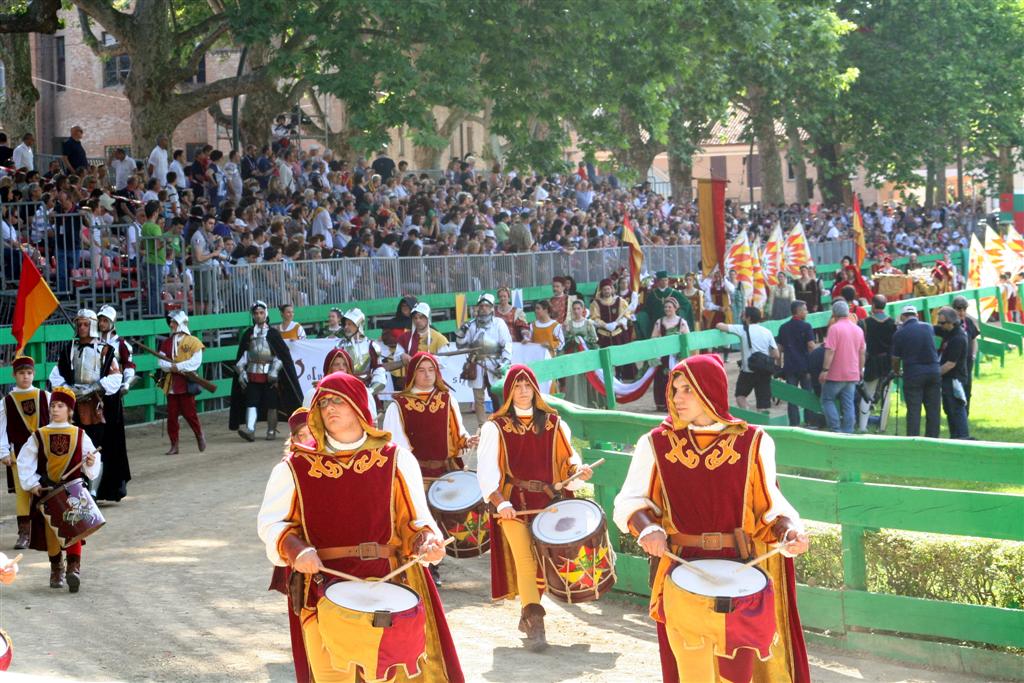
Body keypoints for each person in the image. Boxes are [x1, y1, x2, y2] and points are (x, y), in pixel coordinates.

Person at [612, 355, 810, 683]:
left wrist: (789, 533)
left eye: (687, 389)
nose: (677, 398)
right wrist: (648, 530)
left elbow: (771, 509)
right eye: (675, 389)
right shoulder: (655, 443)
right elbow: (629, 502)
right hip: (681, 569)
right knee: (694, 676)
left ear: (710, 390)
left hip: (740, 572)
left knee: (736, 677)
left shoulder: (754, 441)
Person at [257, 372, 464, 683]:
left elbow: (416, 521)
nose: (329, 407)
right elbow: (272, 523)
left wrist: (426, 542)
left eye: (337, 400)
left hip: (387, 586)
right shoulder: (295, 466)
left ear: (357, 405)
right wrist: (297, 551)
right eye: (323, 402)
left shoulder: (396, 459)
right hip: (321, 589)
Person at [476, 366, 592, 651]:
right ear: (509, 392)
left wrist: (578, 472)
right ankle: (536, 623)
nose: (523, 391)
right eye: (517, 386)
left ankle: (527, 613)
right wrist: (501, 503)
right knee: (526, 561)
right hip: (512, 504)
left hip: (549, 504)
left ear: (536, 389)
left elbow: (569, 462)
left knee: (545, 563)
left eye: (528, 385)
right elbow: (486, 472)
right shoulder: (495, 427)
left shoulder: (554, 423)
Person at [19, 387, 102, 592]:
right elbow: (24, 461)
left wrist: (90, 462)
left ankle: (73, 567)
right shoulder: (40, 434)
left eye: (60, 406)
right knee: (52, 530)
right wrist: (32, 484)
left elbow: (92, 459)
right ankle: (56, 567)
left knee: (75, 527)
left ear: (70, 410)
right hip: (48, 490)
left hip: (72, 491)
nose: (55, 409)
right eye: (53, 406)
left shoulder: (79, 434)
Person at [48, 310, 123, 491]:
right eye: (79, 324)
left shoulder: (105, 349)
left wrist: (92, 388)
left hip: (95, 406)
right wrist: (70, 390)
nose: (82, 328)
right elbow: (56, 374)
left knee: (94, 448)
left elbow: (116, 377)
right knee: (73, 446)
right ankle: (75, 488)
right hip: (73, 405)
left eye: (86, 324)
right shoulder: (69, 349)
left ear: (93, 325)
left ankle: (93, 491)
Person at [229, 301, 302, 442]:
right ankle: (250, 430)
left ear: (266, 314)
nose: (258, 315)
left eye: (261, 313)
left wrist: (274, 371)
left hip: (269, 376)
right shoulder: (248, 334)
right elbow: (244, 356)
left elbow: (281, 357)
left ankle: (271, 430)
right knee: (251, 402)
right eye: (256, 313)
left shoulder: (273, 334)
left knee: (271, 403)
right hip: (252, 374)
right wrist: (241, 372)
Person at [0, 356, 49, 550]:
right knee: (22, 493)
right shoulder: (6, 402)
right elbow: (1, 429)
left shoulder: (45, 396)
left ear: (34, 374)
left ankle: (46, 530)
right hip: (18, 453)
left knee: (44, 488)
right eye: (21, 373)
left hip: (43, 452)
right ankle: (24, 534)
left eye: (29, 373)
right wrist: (3, 451)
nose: (25, 376)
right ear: (14, 375)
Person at [93, 306, 133, 501]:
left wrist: (126, 383)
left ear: (112, 322)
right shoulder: (92, 342)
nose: (102, 324)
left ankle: (115, 486)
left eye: (105, 321)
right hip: (94, 394)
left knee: (113, 438)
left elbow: (129, 365)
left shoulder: (121, 344)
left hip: (113, 395)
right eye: (100, 320)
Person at [455, 293, 513, 425]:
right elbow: (461, 345)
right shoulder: (472, 325)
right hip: (476, 365)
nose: (484, 308)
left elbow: (507, 344)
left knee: (497, 396)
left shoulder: (499, 323)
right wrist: (462, 333)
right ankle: (482, 426)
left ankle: (501, 423)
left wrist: (505, 361)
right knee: (478, 399)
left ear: (492, 308)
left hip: (495, 365)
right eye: (481, 306)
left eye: (487, 306)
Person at [158, 311, 207, 455]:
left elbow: (196, 362)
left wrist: (178, 366)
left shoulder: (193, 341)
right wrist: (171, 367)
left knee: (189, 414)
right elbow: (161, 362)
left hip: (186, 383)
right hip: (172, 383)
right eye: (171, 322)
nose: (171, 325)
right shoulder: (167, 343)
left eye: (174, 322)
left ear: (181, 323)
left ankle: (199, 434)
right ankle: (174, 445)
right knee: (172, 416)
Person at [891, 305, 941, 438]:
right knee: (933, 409)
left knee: (914, 410)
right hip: (933, 371)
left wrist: (897, 371)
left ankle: (913, 438)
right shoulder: (928, 327)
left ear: (902, 317)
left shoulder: (900, 333)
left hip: (913, 373)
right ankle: (933, 438)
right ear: (916, 315)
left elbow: (895, 359)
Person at [716, 307, 779, 410]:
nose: (742, 317)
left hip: (748, 371)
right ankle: (761, 418)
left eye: (744, 315)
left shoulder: (742, 329)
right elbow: (776, 354)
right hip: (764, 371)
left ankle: (750, 415)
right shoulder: (767, 332)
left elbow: (720, 326)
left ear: (748, 318)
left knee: (740, 396)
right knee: (763, 403)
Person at [819, 301, 866, 434]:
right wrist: (860, 369)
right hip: (852, 372)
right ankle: (848, 431)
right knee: (848, 403)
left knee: (827, 400)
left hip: (836, 373)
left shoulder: (834, 329)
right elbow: (862, 352)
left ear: (834, 313)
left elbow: (830, 351)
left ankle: (835, 429)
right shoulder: (858, 329)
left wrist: (825, 370)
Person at [857, 295, 896, 432]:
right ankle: (882, 426)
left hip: (872, 361)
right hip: (887, 361)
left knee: (867, 393)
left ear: (873, 305)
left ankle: (863, 426)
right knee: (886, 394)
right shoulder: (892, 322)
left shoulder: (866, 322)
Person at [777, 301, 816, 427]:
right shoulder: (806, 326)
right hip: (805, 366)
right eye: (805, 310)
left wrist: (779, 365)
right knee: (808, 394)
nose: (807, 312)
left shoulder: (783, 327)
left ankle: (794, 424)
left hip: (790, 367)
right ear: (798, 312)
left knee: (792, 397)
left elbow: (779, 349)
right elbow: (811, 346)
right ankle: (810, 422)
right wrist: (815, 361)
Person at [934, 307, 971, 439]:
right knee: (949, 409)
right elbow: (933, 329)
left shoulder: (958, 338)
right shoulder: (948, 331)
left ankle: (963, 437)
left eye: (942, 323)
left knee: (956, 408)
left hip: (955, 378)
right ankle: (955, 437)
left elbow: (950, 364)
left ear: (951, 322)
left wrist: (934, 374)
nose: (940, 326)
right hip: (948, 378)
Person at [336, 308, 388, 400]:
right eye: (345, 324)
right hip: (345, 391)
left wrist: (370, 390)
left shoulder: (371, 346)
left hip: (366, 391)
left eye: (350, 324)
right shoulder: (340, 347)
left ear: (358, 325)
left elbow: (379, 371)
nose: (346, 327)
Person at [650, 297, 690, 412]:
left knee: (676, 379)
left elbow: (687, 338)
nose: (667, 309)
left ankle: (676, 403)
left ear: (675, 308)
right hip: (663, 356)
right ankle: (662, 403)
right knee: (661, 378)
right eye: (665, 307)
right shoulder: (659, 322)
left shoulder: (681, 322)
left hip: (676, 356)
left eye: (669, 307)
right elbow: (653, 337)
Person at [590, 278, 635, 379]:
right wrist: (605, 325)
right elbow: (595, 318)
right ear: (601, 290)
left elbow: (626, 315)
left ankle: (620, 375)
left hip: (617, 333)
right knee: (604, 358)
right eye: (604, 289)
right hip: (603, 335)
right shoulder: (595, 303)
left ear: (612, 289)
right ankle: (606, 377)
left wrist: (617, 323)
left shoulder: (620, 301)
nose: (607, 291)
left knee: (619, 356)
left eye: (608, 289)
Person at [561, 299, 600, 408]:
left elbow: (594, 339)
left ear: (583, 309)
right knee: (575, 377)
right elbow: (565, 340)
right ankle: (575, 401)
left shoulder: (588, 323)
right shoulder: (569, 324)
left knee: (588, 377)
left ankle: (590, 402)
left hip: (585, 355)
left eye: (578, 308)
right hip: (574, 354)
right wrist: (572, 339)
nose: (576, 311)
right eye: (574, 309)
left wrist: (584, 340)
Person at [642, 270, 693, 337]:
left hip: (673, 323)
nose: (665, 282)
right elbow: (646, 309)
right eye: (662, 280)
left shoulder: (674, 293)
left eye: (666, 280)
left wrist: (678, 312)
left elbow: (687, 304)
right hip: (656, 324)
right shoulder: (652, 295)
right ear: (658, 281)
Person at [951, 295, 979, 412]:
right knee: (956, 388)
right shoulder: (950, 324)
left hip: (967, 361)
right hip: (954, 362)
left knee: (967, 387)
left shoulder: (969, 322)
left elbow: (974, 339)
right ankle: (956, 412)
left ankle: (965, 413)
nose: (962, 312)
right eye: (959, 309)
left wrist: (973, 355)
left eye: (964, 309)